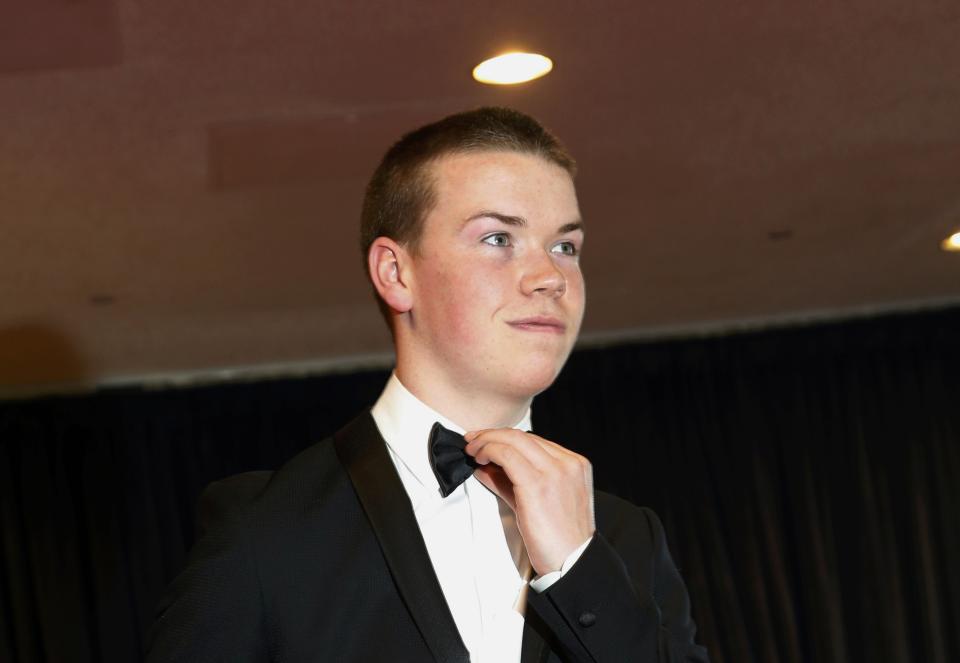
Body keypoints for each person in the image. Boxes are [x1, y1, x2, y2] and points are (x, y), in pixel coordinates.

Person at [146, 107, 709, 662]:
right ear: (396, 273)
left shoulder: (627, 536)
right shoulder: (266, 531)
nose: (550, 277)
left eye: (565, 247)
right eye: (497, 238)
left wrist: (579, 570)